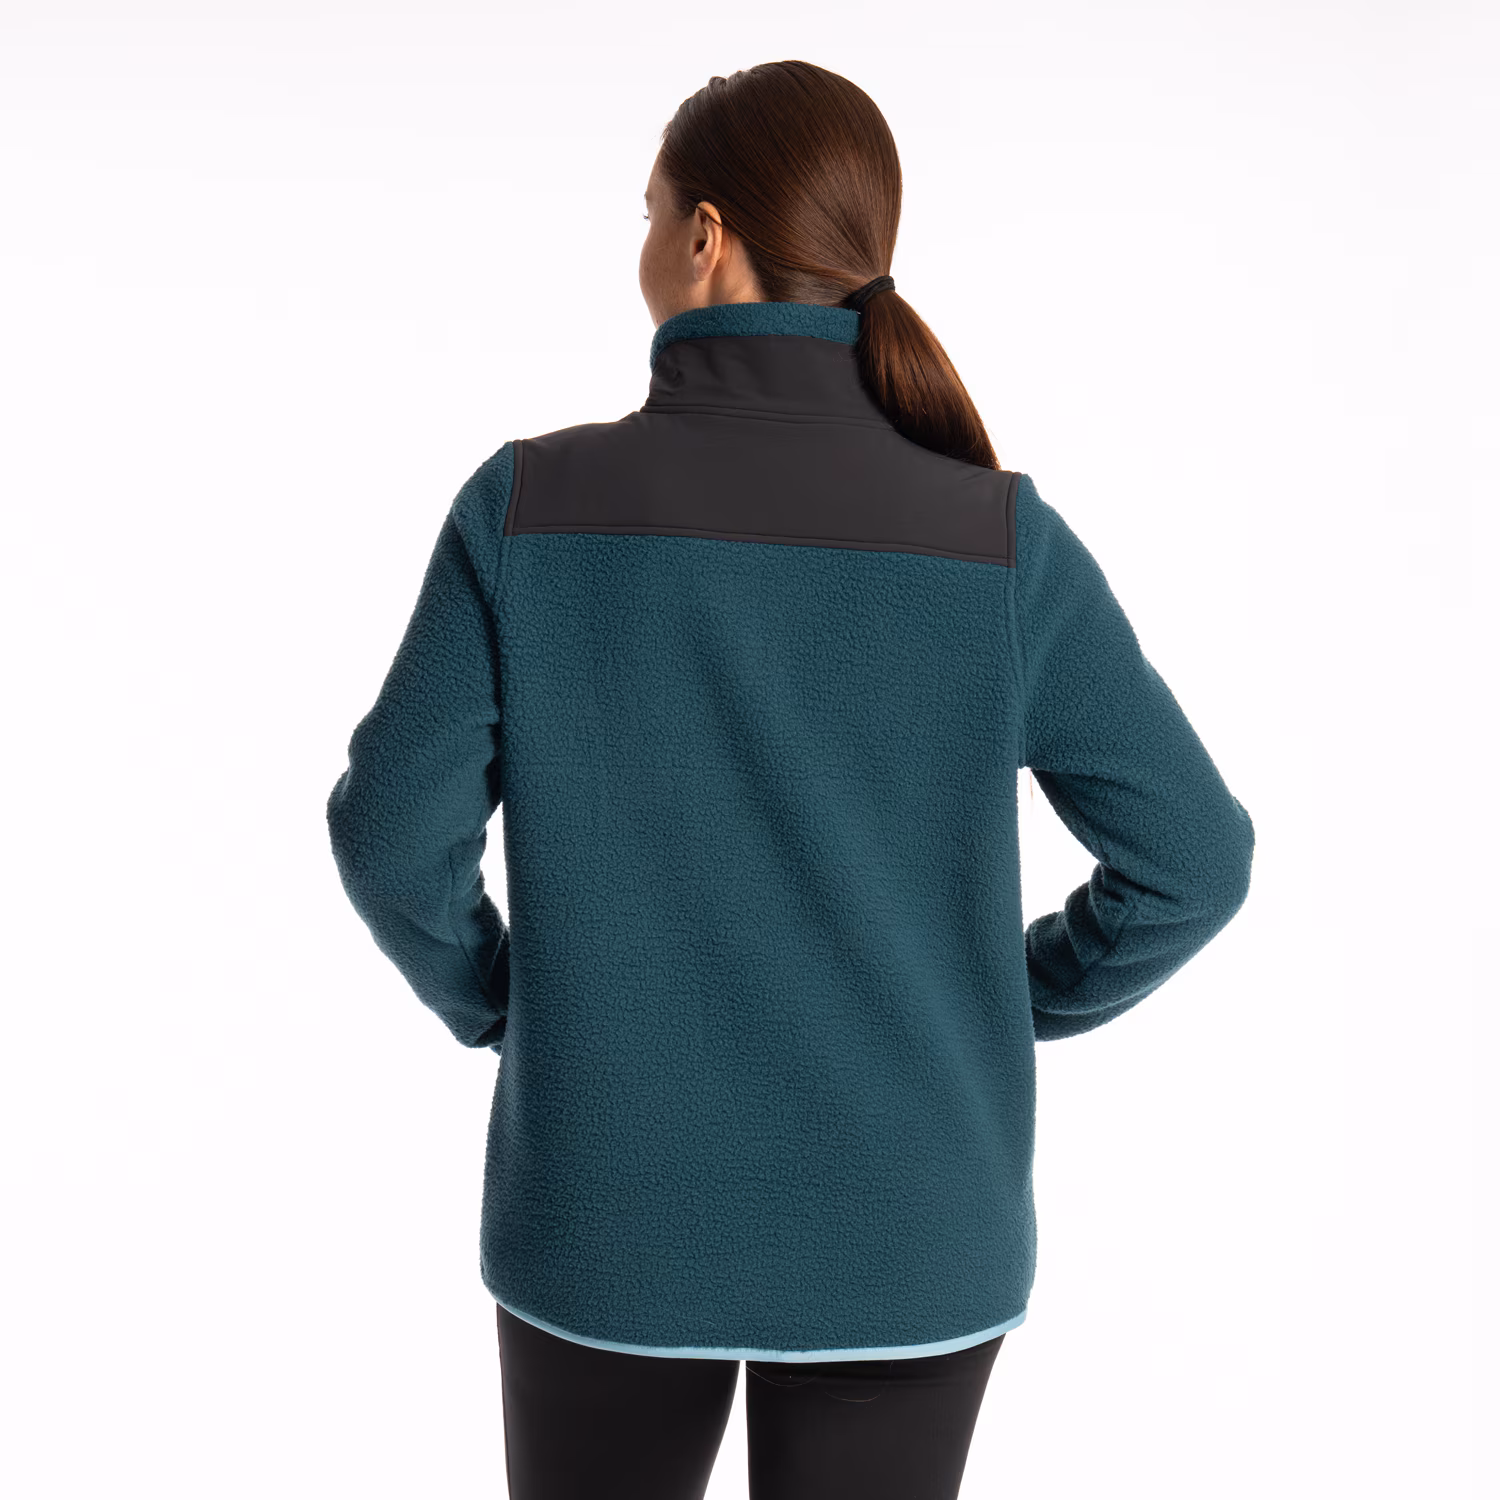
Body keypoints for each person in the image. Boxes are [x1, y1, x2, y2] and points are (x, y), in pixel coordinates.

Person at [327, 59, 1255, 1500]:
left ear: (705, 236)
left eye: (648, 213)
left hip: (610, 1213)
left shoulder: (528, 506)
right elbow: (1193, 856)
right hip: (910, 1225)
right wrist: (1007, 997)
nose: (643, 242)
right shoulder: (1003, 543)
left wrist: (506, 1001)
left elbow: (392, 832)